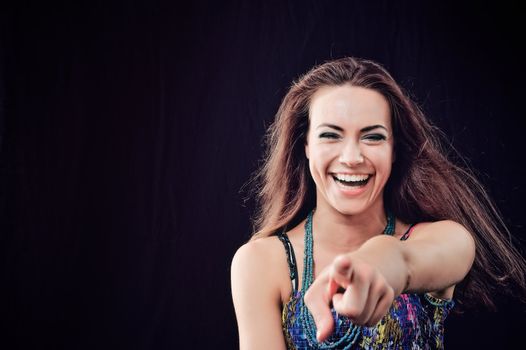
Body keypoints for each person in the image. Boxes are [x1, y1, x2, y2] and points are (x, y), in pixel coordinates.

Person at [230, 57, 526, 349]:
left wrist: (381, 261)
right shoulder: (260, 262)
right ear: (305, 144)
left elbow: (414, 259)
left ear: (394, 149)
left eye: (372, 137)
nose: (351, 158)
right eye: (330, 135)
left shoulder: (444, 238)